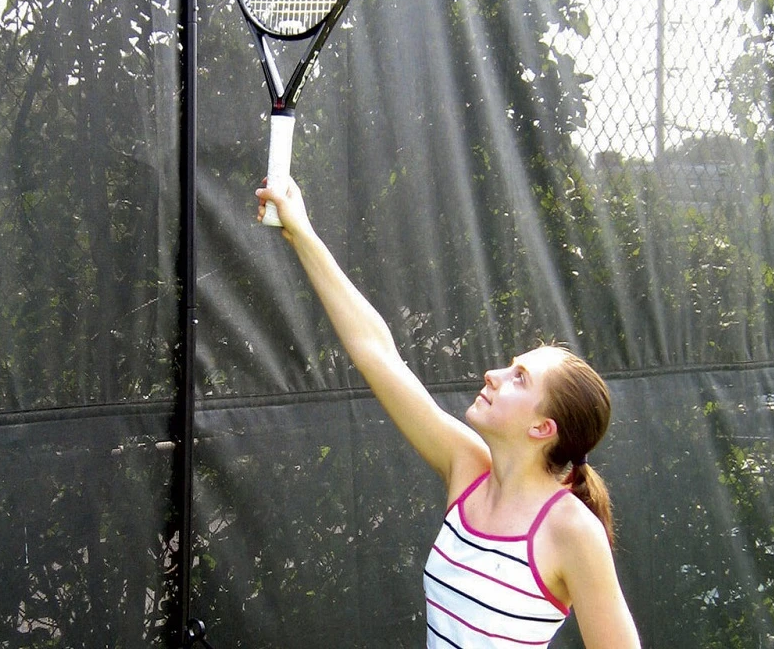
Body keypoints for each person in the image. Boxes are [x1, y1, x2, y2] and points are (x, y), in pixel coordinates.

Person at [257, 178, 641, 649]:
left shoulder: (571, 530)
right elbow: (377, 353)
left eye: (520, 377)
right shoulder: (468, 468)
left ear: (543, 428)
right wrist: (302, 232)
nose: (493, 374)